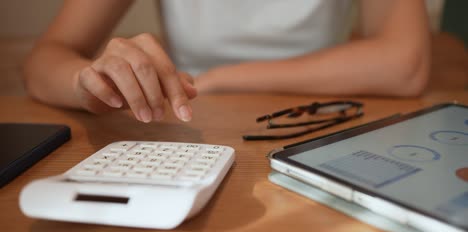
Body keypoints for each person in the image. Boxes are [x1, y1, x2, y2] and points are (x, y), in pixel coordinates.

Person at [23, 0, 431, 123]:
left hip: (316, 119)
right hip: (190, 123)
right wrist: (84, 82)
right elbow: (46, 57)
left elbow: (404, 63)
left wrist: (221, 79)